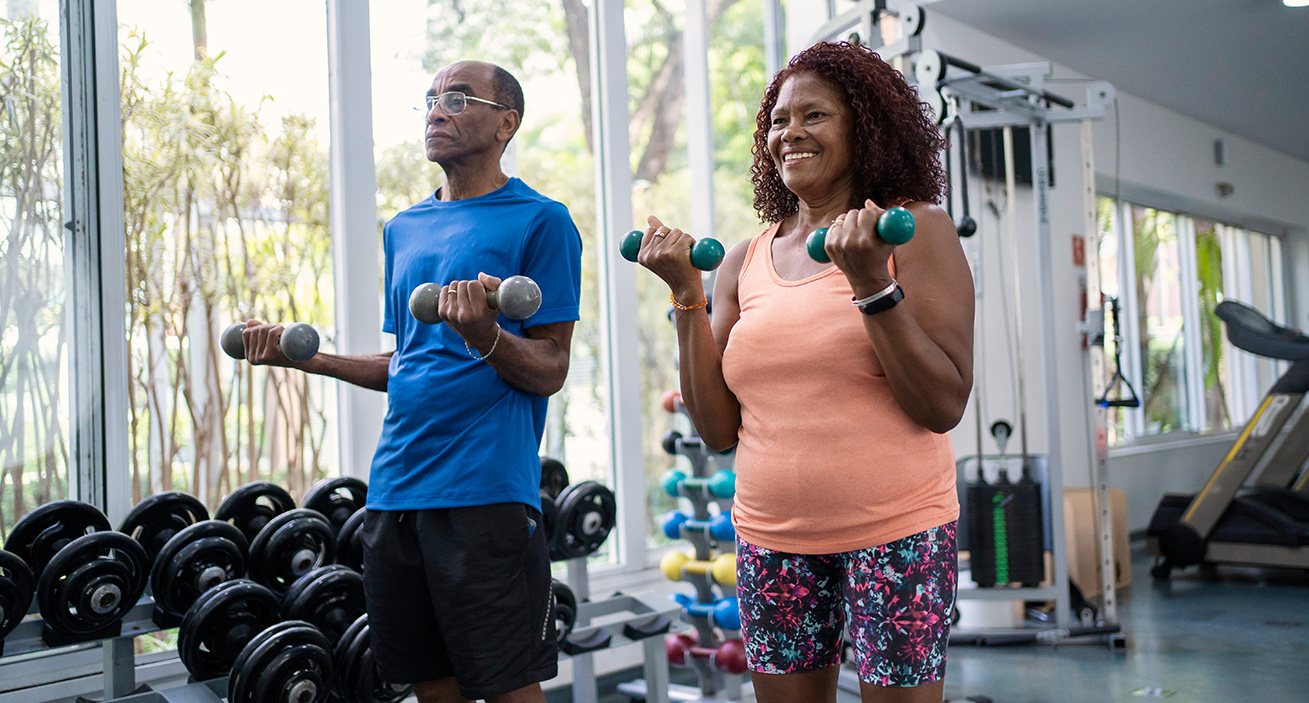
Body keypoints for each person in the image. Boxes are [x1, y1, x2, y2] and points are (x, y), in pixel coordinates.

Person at [633, 42, 974, 703]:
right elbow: (714, 428)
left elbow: (942, 403)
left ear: (864, 125)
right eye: (778, 120)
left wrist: (871, 282)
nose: (789, 132)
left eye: (813, 115)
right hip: (771, 536)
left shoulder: (913, 231)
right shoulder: (743, 259)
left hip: (897, 531)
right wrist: (686, 295)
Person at [238, 60, 582, 703]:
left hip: (485, 492)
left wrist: (485, 334)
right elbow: (410, 364)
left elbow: (551, 370)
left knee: (510, 689)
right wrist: (305, 357)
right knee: (431, 687)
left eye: (457, 99)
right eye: (429, 100)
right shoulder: (404, 228)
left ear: (507, 122)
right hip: (396, 490)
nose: (435, 111)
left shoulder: (543, 221)